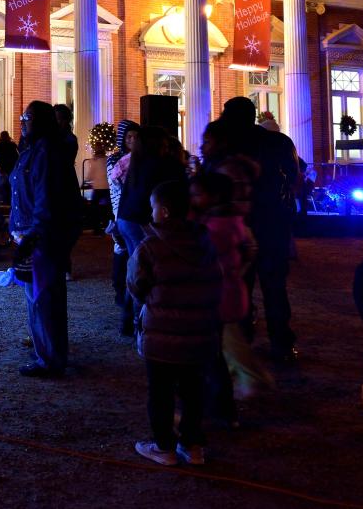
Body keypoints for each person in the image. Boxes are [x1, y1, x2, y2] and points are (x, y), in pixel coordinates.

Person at [129, 180, 223, 466]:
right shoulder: (205, 242)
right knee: (194, 390)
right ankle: (192, 444)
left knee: (160, 391)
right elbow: (217, 280)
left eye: (153, 207)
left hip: (162, 335)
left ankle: (164, 445)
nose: (151, 213)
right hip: (200, 332)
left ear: (165, 211)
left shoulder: (151, 246)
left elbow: (135, 284)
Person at [219, 96, 300, 361]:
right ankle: (281, 343)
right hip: (272, 222)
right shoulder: (279, 142)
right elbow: (294, 178)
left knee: (240, 282)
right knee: (274, 285)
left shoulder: (226, 145)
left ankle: (243, 339)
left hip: (239, 223)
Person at [9, 100, 79, 377]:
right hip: (30, 232)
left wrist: (34, 234)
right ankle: (44, 350)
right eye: (22, 116)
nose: (22, 122)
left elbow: (46, 197)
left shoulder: (47, 152)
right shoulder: (32, 150)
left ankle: (50, 358)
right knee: (35, 295)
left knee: (44, 297)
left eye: (27, 117)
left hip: (42, 236)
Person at [190, 170, 265, 425]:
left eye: (198, 194)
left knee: (211, 356)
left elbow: (197, 257)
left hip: (215, 297)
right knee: (217, 351)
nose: (193, 199)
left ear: (215, 196)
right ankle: (221, 404)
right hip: (227, 294)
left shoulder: (214, 227)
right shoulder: (231, 221)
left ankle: (220, 409)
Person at [116, 126, 186, 335]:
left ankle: (128, 322)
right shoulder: (160, 164)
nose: (166, 147)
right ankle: (140, 325)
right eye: (164, 144)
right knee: (144, 272)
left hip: (126, 218)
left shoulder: (137, 161)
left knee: (135, 267)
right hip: (141, 220)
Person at [107, 120, 140, 308]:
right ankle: (120, 289)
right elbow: (117, 185)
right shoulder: (115, 160)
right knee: (120, 249)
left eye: (136, 136)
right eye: (129, 136)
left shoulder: (140, 157)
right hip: (121, 209)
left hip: (134, 211)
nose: (132, 140)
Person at [0, 130, 19, 204]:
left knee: (4, 186)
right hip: (12, 167)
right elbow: (17, 156)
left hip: (2, 167)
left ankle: (5, 201)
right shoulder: (12, 145)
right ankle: (11, 201)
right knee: (11, 185)